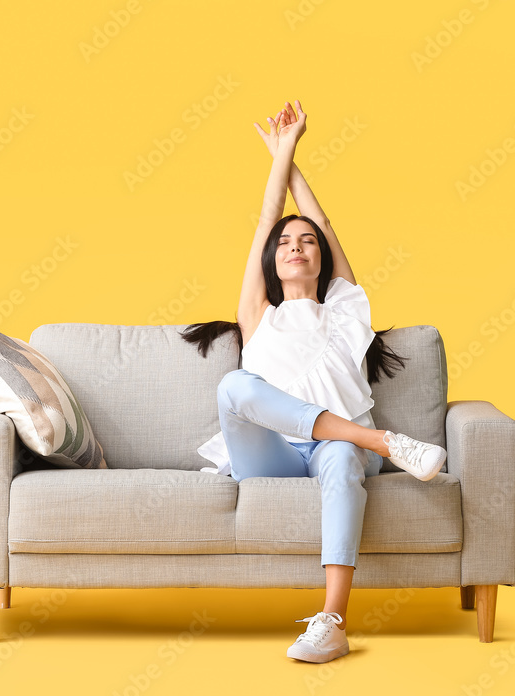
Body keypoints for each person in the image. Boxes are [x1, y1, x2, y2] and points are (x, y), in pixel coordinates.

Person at [179, 100, 447, 664]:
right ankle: (383, 442)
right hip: (273, 452)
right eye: (284, 244)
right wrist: (280, 153)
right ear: (272, 265)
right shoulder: (259, 316)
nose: (295, 246)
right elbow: (265, 218)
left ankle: (332, 622)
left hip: (339, 451)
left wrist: (291, 152)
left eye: (305, 243)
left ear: (321, 259)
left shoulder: (346, 312)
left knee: (343, 457)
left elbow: (320, 222)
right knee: (234, 388)